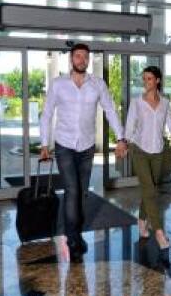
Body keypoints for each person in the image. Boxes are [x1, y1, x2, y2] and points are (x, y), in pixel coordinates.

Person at [39, 43, 127, 262]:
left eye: (85, 57)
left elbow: (110, 110)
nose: (82, 60)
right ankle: (73, 238)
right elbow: (47, 113)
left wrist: (121, 138)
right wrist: (44, 143)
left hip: (87, 146)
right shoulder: (58, 84)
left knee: (81, 193)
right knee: (72, 191)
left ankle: (75, 232)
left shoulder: (97, 84)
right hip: (64, 144)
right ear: (71, 59)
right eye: (78, 56)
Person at [125, 66, 171, 250]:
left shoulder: (165, 103)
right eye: (144, 78)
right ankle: (159, 232)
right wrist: (124, 143)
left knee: (150, 189)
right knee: (150, 191)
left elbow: (170, 123)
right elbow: (130, 125)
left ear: (157, 80)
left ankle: (142, 220)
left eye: (149, 78)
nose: (145, 82)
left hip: (158, 151)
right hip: (139, 150)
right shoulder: (136, 102)